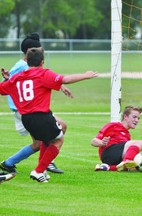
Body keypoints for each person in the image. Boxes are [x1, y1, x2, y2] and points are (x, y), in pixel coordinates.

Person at [0, 47, 98, 182]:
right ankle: (38, 171)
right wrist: (86, 75)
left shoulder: (16, 78)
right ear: (42, 62)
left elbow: (2, 89)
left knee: (46, 140)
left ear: (27, 61)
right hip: (41, 116)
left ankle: (41, 171)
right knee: (58, 140)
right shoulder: (43, 73)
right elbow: (66, 79)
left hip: (26, 119)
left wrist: (7, 79)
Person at [0, 33, 70, 176]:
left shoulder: (28, 65)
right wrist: (7, 78)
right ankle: (42, 166)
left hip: (29, 109)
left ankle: (11, 163)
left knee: (42, 140)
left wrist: (61, 86)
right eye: (38, 48)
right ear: (29, 52)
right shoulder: (22, 66)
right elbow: (15, 83)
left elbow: (37, 80)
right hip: (26, 110)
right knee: (56, 131)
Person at [91, 105, 142, 171]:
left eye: (138, 118)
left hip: (113, 159)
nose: (136, 120)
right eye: (134, 117)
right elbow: (93, 141)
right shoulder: (114, 125)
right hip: (108, 153)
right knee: (141, 143)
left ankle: (107, 168)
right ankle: (126, 161)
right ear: (125, 117)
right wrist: (102, 143)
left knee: (134, 168)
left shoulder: (127, 135)